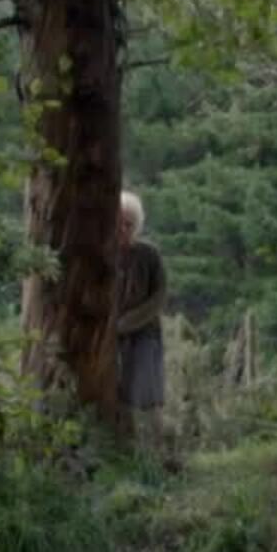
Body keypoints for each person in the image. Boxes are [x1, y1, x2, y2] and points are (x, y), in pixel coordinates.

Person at [113, 189, 168, 448]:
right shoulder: (103, 254)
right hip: (110, 337)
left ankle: (156, 448)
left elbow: (158, 297)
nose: (123, 229)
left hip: (145, 334)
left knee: (147, 395)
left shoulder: (149, 254)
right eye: (119, 223)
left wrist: (127, 323)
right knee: (118, 395)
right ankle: (126, 447)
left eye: (129, 224)